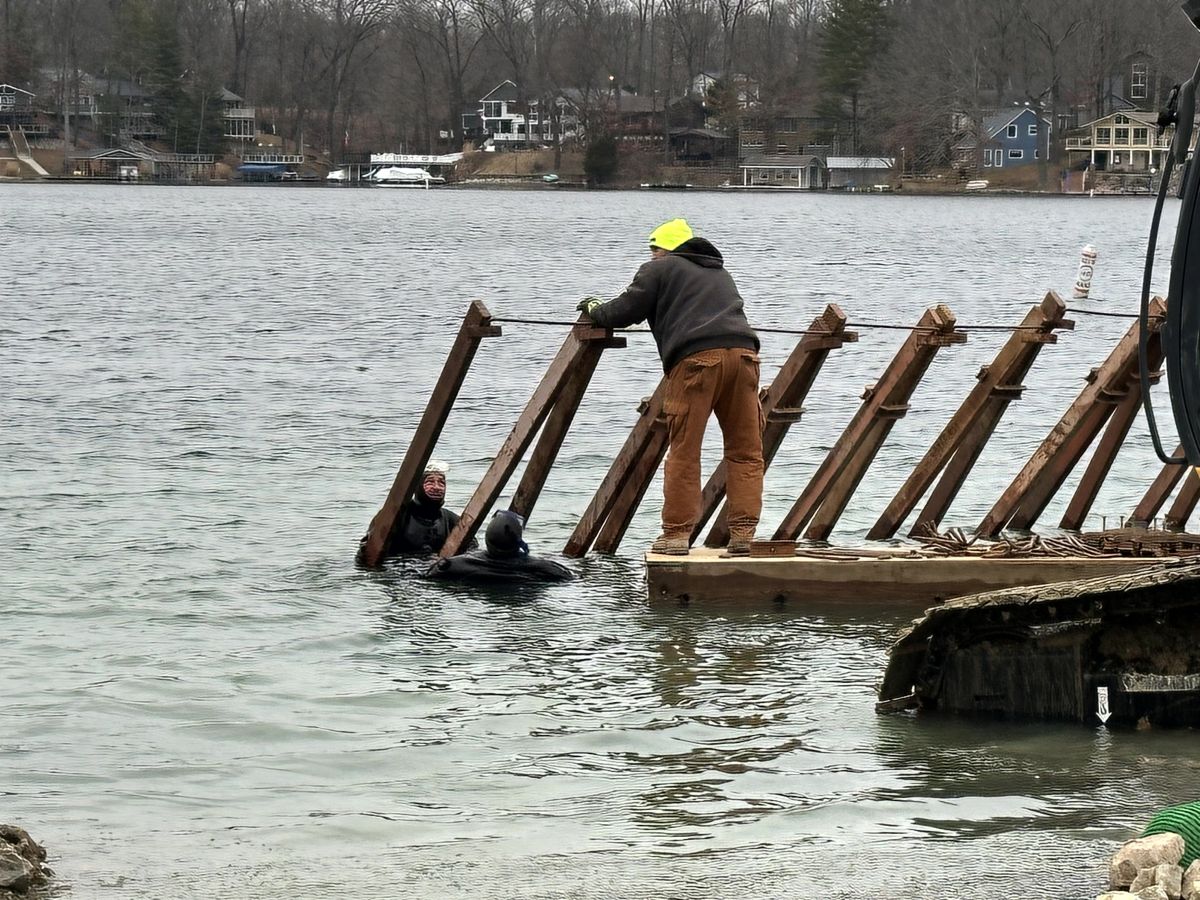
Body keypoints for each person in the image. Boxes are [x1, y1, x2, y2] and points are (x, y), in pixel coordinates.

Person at [577, 218, 764, 557]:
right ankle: (743, 536)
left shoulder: (659, 270)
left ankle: (676, 536)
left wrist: (593, 308)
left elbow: (623, 311)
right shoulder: (720, 272)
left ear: (666, 249)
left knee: (685, 450)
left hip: (696, 362)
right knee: (745, 451)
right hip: (745, 356)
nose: (651, 256)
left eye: (654, 250)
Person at [425, 509, 574, 583]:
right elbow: (570, 579)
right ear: (518, 540)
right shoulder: (548, 570)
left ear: (488, 537)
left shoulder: (450, 566)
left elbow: (427, 576)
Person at [386, 461, 467, 555]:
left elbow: (471, 548)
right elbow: (370, 547)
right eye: (430, 482)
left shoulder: (450, 520)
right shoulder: (397, 517)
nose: (436, 487)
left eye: (441, 483)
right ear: (417, 486)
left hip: (437, 567)